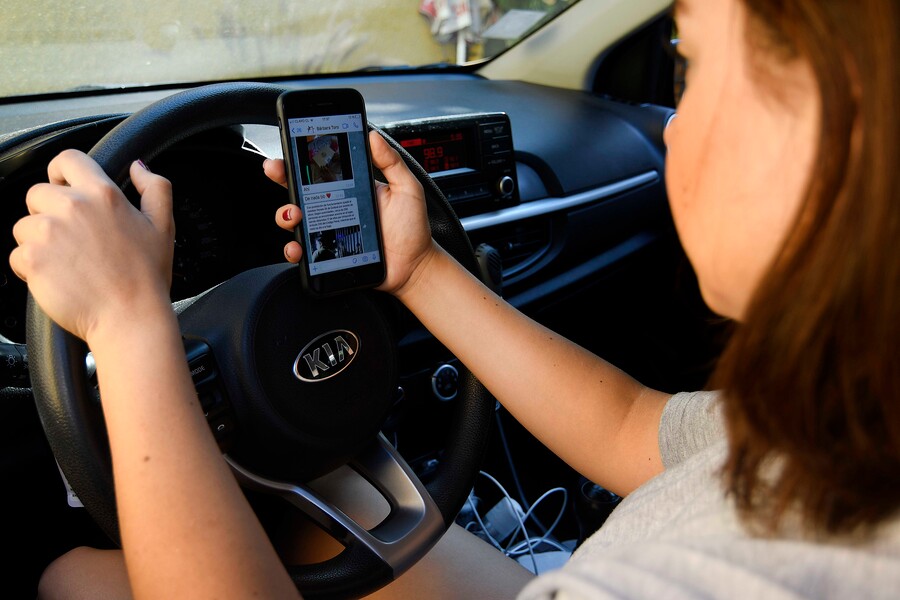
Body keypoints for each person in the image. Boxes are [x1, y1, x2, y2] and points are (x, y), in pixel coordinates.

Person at [17, 0, 900, 597]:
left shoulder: (733, 575)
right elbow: (637, 429)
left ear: (844, 119)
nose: (675, 123)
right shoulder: (843, 427)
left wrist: (131, 330)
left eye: (690, 67)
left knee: (67, 576)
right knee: (341, 510)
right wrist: (421, 272)